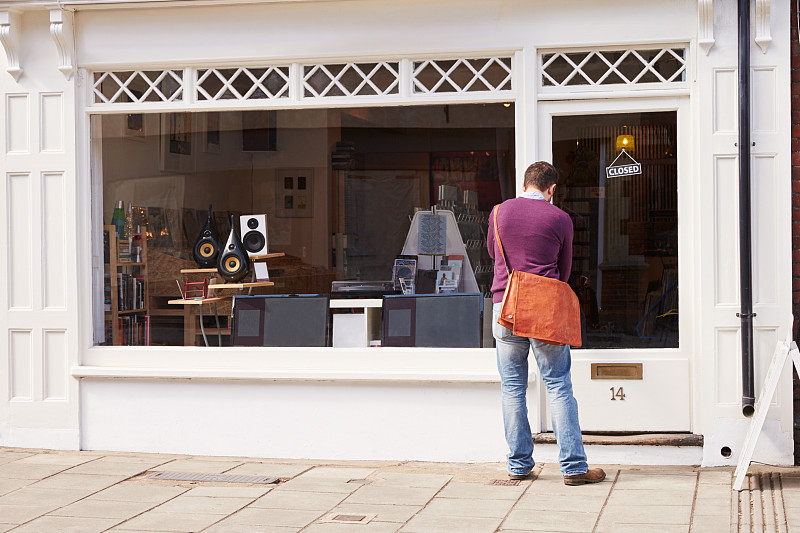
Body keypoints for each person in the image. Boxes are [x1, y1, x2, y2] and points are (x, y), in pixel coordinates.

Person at [487, 161, 605, 486]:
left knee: (512, 388)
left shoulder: (498, 212)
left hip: (504, 307)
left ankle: (519, 465)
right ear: (551, 189)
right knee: (558, 386)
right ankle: (573, 468)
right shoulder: (560, 218)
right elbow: (564, 273)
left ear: (524, 184)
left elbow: (492, 253)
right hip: (543, 311)